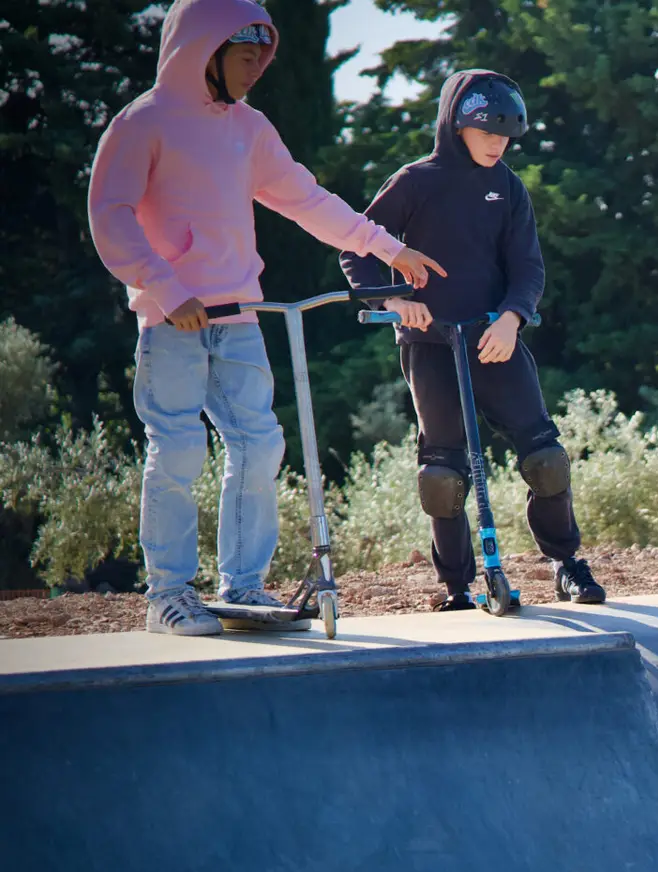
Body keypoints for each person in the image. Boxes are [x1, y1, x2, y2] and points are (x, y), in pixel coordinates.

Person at [88, 0, 446, 636]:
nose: (257, 68)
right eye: (245, 55)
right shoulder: (142, 122)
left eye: (263, 56)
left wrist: (388, 248)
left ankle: (243, 588)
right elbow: (110, 216)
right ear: (206, 50)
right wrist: (169, 290)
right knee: (176, 450)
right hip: (172, 323)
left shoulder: (248, 128)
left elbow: (305, 199)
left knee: (260, 446)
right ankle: (167, 595)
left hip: (241, 315)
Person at [340, 70, 605, 610]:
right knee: (442, 473)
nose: (498, 144)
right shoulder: (415, 181)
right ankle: (457, 587)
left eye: (507, 136)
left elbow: (528, 268)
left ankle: (566, 563)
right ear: (456, 127)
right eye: (488, 133)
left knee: (546, 458)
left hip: (495, 339)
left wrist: (512, 318)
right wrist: (393, 302)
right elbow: (356, 248)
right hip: (431, 344)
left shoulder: (507, 186)